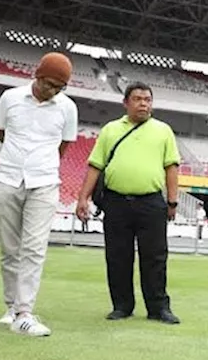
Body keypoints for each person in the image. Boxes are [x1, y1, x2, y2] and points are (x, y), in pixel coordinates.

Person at [75, 82, 181, 325]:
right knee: (117, 256)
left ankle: (158, 308)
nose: (143, 103)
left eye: (147, 99)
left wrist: (172, 201)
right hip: (116, 202)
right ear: (126, 103)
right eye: (137, 99)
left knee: (155, 257)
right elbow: (95, 165)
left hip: (151, 202)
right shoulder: (110, 130)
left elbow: (171, 166)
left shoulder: (163, 130)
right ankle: (122, 306)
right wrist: (83, 197)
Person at [0, 52, 78, 337]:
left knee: (34, 248)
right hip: (7, 178)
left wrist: (41, 164)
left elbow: (63, 146)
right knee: (9, 249)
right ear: (36, 76)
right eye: (48, 84)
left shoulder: (67, 108)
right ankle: (11, 307)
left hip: (45, 182)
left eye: (59, 87)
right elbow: (1, 133)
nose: (52, 91)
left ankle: (24, 311)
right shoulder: (10, 98)